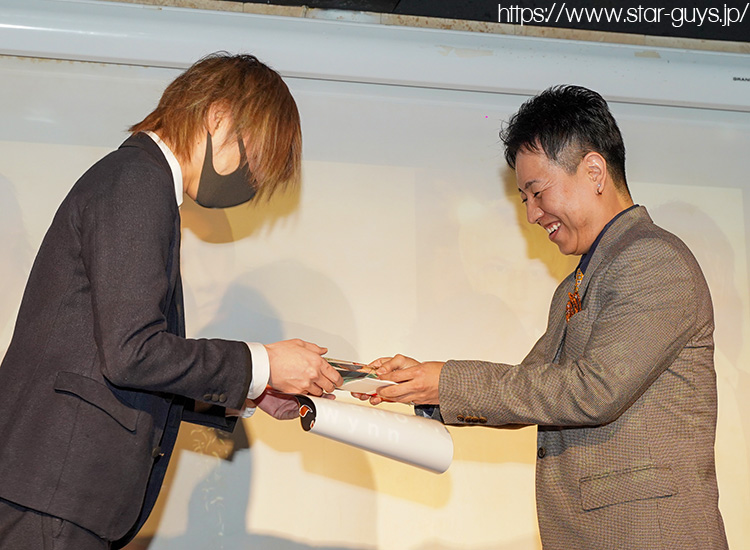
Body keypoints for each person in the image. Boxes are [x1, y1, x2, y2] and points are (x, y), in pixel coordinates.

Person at [0, 52, 342, 550]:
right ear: (218, 116)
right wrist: (264, 362)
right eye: (255, 156)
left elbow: (120, 363)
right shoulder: (139, 181)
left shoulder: (138, 180)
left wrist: (255, 391)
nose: (251, 181)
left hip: (54, 491)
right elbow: (132, 352)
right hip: (55, 490)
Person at [362, 85, 729, 549]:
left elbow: (594, 391)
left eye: (537, 192)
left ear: (594, 171)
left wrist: (447, 381)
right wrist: (424, 385)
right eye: (524, 199)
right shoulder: (576, 283)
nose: (533, 214)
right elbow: (533, 386)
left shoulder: (653, 259)